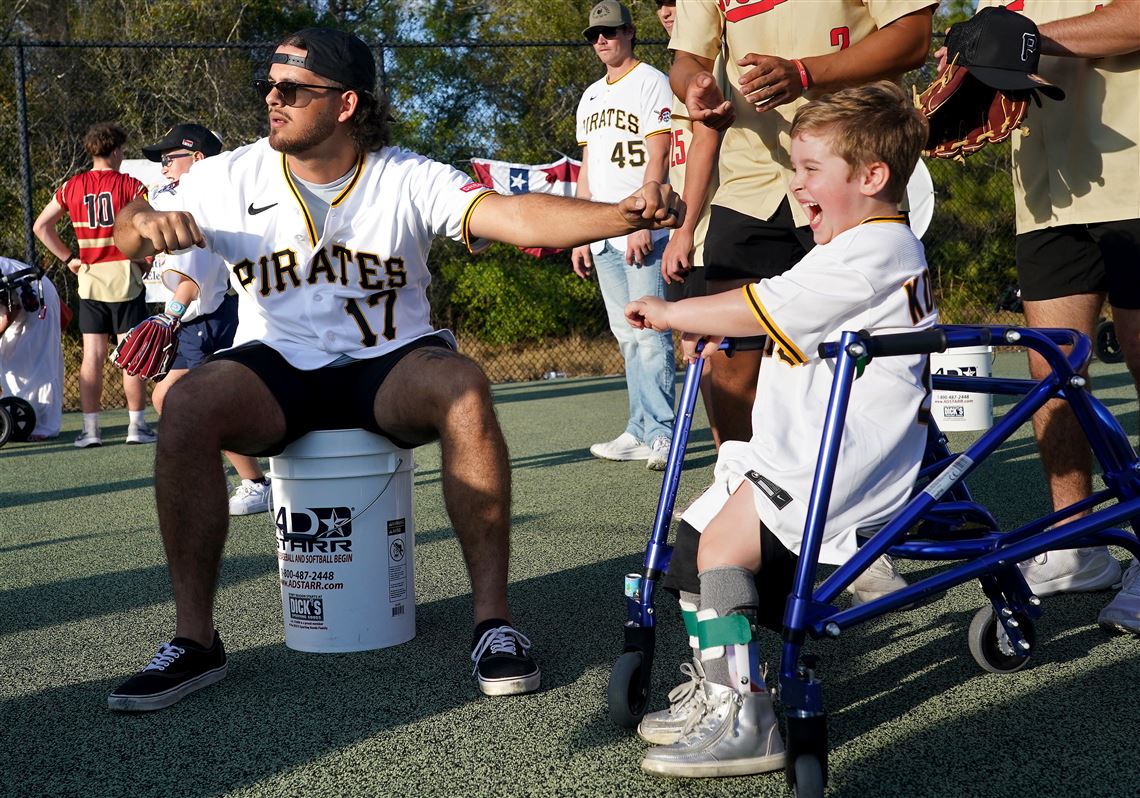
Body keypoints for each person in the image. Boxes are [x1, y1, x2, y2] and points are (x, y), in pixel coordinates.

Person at [105, 26, 681, 712]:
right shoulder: (230, 174)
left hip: (389, 365)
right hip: (279, 365)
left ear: (345, 104)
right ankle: (194, 642)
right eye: (269, 87)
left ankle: (493, 623)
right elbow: (128, 228)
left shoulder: (404, 175)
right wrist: (143, 218)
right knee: (190, 402)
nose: (273, 100)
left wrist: (616, 213)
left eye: (292, 88)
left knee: (463, 384)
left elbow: (513, 216)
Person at [625, 81, 936, 776]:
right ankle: (720, 689)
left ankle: (750, 714)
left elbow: (765, 306)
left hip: (841, 461)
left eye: (810, 171)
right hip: (799, 449)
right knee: (696, 543)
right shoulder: (854, 247)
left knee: (722, 553)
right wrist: (717, 329)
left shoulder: (878, 250)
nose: (797, 188)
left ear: (873, 177)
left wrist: (679, 315)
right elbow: (776, 311)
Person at [666, 0, 937, 603]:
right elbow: (685, 61)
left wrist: (807, 72)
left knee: (861, 360)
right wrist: (697, 86)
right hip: (755, 181)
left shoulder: (876, 239)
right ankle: (762, 517)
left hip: (848, 172)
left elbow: (913, 37)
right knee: (730, 372)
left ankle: (850, 534)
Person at [969, 0, 1140, 633]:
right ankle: (1077, 545)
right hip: (1047, 189)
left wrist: (1023, 39)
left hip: (1135, 174)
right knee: (1053, 376)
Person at [140, 123, 273, 516]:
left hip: (206, 322)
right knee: (168, 398)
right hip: (197, 322)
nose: (163, 168)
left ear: (198, 159)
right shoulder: (182, 202)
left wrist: (169, 319)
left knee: (199, 404)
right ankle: (251, 478)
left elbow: (191, 281)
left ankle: (255, 482)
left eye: (170, 159)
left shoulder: (197, 205)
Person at [572, 0, 677, 471]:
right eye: (595, 35)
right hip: (601, 231)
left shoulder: (651, 81)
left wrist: (643, 220)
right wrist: (579, 231)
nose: (602, 41)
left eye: (610, 32)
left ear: (631, 32)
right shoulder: (590, 96)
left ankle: (663, 434)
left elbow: (659, 157)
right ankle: (638, 429)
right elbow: (588, 170)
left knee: (651, 333)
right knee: (626, 336)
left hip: (640, 228)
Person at [33, 122, 156, 448]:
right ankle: (136, 426)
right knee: (130, 354)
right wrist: (147, 258)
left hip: (90, 280)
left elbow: (41, 226)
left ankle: (91, 431)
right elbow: (149, 225)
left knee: (93, 356)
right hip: (125, 279)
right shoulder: (130, 184)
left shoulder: (72, 186)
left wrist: (69, 258)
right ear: (115, 150)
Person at [655, 0, 723, 447]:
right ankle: (729, 469)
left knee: (718, 351)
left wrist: (684, 231)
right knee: (696, 348)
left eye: (676, 2)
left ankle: (738, 471)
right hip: (685, 229)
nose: (668, 9)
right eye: (661, 3)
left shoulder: (715, 67)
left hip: (715, 224)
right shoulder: (668, 77)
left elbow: (705, 144)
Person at [0, 258, 63, 440]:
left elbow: (11, 311)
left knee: (38, 363)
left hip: (33, 296)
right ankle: (15, 422)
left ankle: (44, 427)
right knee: (10, 360)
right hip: (14, 299)